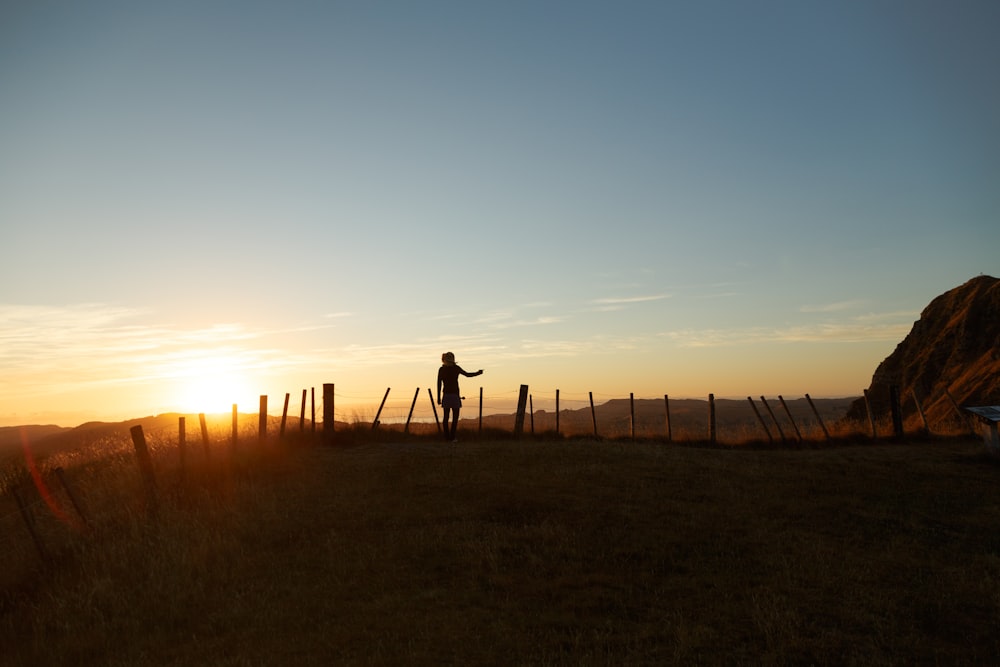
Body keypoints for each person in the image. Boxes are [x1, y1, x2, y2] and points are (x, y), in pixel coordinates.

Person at [437, 351, 483, 441]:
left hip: (446, 395)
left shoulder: (441, 370)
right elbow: (467, 375)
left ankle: (447, 438)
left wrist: (438, 397)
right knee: (455, 418)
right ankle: (453, 437)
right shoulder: (456, 368)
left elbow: (439, 384)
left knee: (445, 417)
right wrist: (478, 373)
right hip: (455, 395)